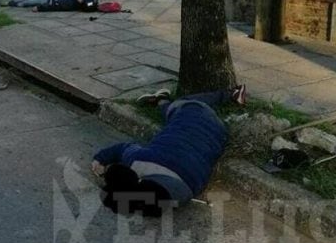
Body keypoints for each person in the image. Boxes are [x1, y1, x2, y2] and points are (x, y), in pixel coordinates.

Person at [91, 84, 247, 217]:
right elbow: (122, 148)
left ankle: (162, 100)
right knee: (180, 104)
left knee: (175, 109)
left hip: (219, 134)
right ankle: (230, 94)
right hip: (194, 115)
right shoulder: (138, 160)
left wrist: (101, 162)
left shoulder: (189, 191)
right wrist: (101, 158)